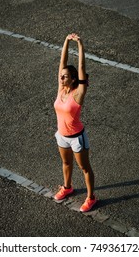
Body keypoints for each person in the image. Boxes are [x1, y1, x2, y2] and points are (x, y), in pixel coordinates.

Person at [54, 33, 97, 212]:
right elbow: (62, 63)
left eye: (65, 77)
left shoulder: (78, 94)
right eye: (61, 76)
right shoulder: (61, 89)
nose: (61, 78)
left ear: (73, 79)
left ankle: (91, 197)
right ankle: (67, 187)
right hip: (62, 136)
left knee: (84, 168)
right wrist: (65, 41)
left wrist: (79, 44)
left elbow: (80, 66)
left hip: (77, 138)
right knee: (66, 164)